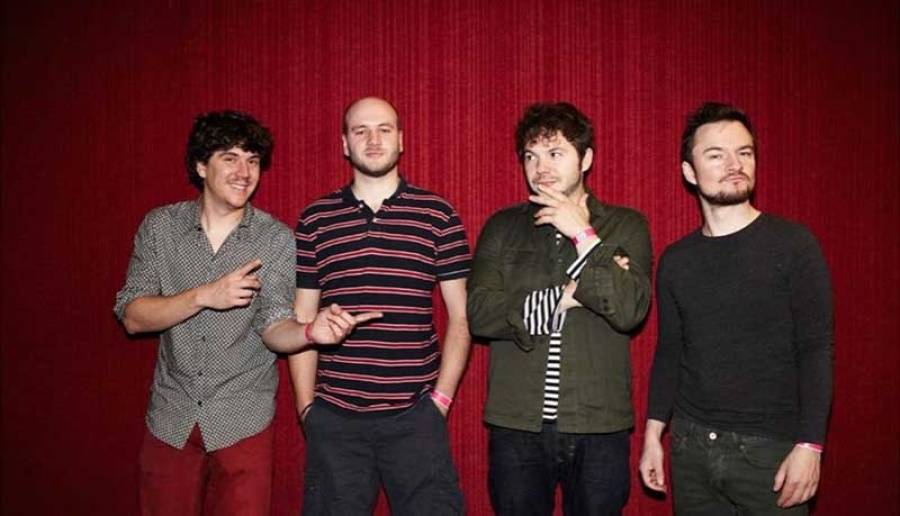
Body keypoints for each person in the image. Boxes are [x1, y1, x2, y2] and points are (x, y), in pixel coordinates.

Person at [114, 110, 379, 515]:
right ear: (201, 166)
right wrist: (204, 295)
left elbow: (273, 325)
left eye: (252, 160)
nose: (244, 172)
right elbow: (133, 316)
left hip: (242, 419)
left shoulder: (275, 239)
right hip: (171, 418)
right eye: (230, 158)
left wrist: (310, 332)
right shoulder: (160, 227)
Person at [639, 102, 833, 515]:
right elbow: (669, 352)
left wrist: (810, 445)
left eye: (744, 152)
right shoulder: (676, 260)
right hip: (690, 449)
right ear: (689, 172)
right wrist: (653, 435)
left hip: (770, 454)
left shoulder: (794, 246)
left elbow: (816, 350)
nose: (735, 164)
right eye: (716, 155)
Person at [467, 102, 653, 515]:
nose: (541, 167)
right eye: (530, 156)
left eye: (555, 153)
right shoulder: (502, 226)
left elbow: (629, 309)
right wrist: (563, 297)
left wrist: (583, 235)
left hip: (598, 423)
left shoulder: (626, 226)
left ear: (586, 159)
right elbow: (479, 313)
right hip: (517, 423)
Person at [289, 97, 471, 515]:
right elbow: (302, 319)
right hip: (335, 419)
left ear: (401, 140)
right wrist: (307, 410)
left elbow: (461, 319)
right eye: (361, 130)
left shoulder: (438, 214)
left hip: (416, 417)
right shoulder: (316, 219)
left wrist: (440, 402)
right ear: (345, 144)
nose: (373, 140)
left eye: (384, 129)